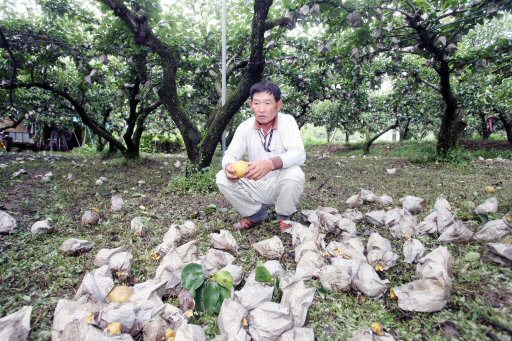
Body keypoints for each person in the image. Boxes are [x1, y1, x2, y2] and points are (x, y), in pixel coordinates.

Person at [216, 81, 306, 232]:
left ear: (278, 105)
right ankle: (256, 214)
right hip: (255, 184)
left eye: (267, 103)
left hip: (279, 184)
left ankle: (284, 216)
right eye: (257, 103)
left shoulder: (288, 122)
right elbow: (230, 154)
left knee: (295, 173)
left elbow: (299, 154)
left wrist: (270, 164)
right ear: (251, 105)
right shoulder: (245, 126)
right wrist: (228, 167)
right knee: (222, 177)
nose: (261, 109)